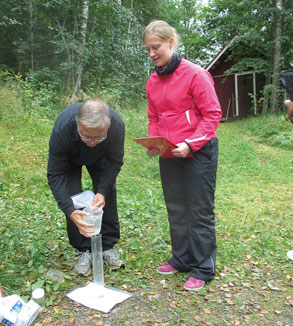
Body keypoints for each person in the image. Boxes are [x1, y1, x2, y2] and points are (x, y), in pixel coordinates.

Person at [142, 20, 222, 291]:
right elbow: (155, 116)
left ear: (171, 43)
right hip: (170, 154)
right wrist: (154, 142)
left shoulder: (195, 74)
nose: (152, 54)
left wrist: (190, 143)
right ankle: (181, 258)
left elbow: (212, 114)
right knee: (176, 208)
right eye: (148, 49)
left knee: (199, 210)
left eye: (156, 47)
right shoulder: (152, 81)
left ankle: (203, 267)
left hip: (198, 152)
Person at [47, 99, 125, 276]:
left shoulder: (117, 126)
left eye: (98, 136)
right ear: (77, 125)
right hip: (70, 157)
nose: (91, 142)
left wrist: (103, 191)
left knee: (106, 195)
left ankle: (107, 246)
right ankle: (84, 250)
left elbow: (115, 160)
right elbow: (55, 174)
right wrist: (68, 209)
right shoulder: (63, 129)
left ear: (107, 127)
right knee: (74, 199)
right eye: (86, 136)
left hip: (101, 157)